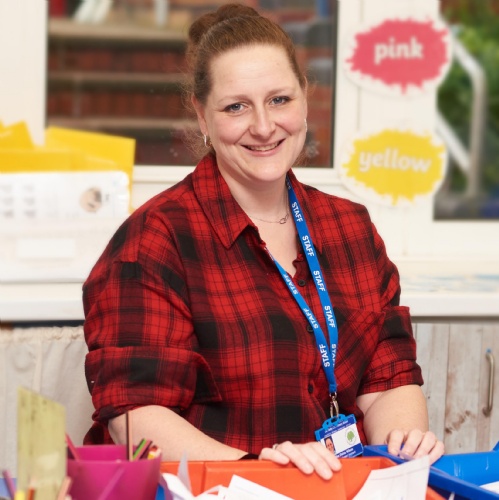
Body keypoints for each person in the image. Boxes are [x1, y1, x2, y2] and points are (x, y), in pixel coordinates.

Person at [82, 3, 444, 480]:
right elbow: (134, 417)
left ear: (305, 98)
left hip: (337, 488)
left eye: (279, 100)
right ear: (203, 117)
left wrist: (403, 449)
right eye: (236, 107)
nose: (264, 126)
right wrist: (258, 474)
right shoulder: (154, 241)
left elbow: (388, 379)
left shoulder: (350, 228)